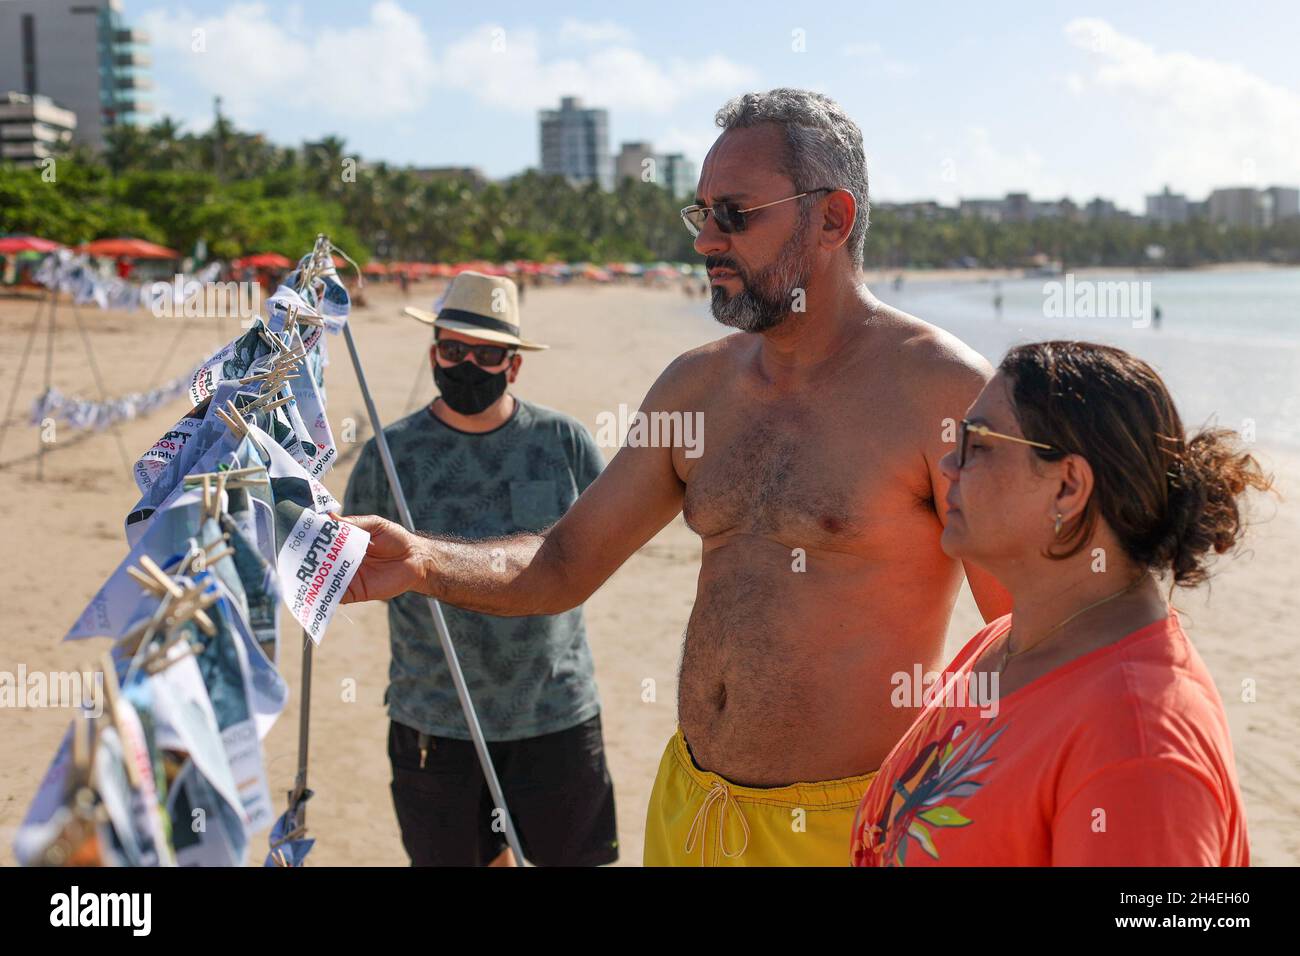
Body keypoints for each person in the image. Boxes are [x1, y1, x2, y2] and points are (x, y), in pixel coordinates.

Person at [341, 88, 1010, 866]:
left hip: (845, 824)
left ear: (832, 219)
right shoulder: (695, 388)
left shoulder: (943, 392)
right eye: (701, 216)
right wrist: (421, 561)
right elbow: (560, 564)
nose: (707, 242)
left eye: (735, 213)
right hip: (690, 807)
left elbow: (1027, 634)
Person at [851, 341, 1270, 866]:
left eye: (976, 445)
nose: (946, 464)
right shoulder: (1003, 641)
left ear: (1069, 486)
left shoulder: (1137, 744)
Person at [342, 271, 618, 867]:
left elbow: (601, 551)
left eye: (487, 353)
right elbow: (344, 564)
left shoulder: (563, 442)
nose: (467, 363)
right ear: (434, 351)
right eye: (453, 348)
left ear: (513, 365)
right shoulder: (389, 456)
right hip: (435, 723)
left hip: (555, 715)